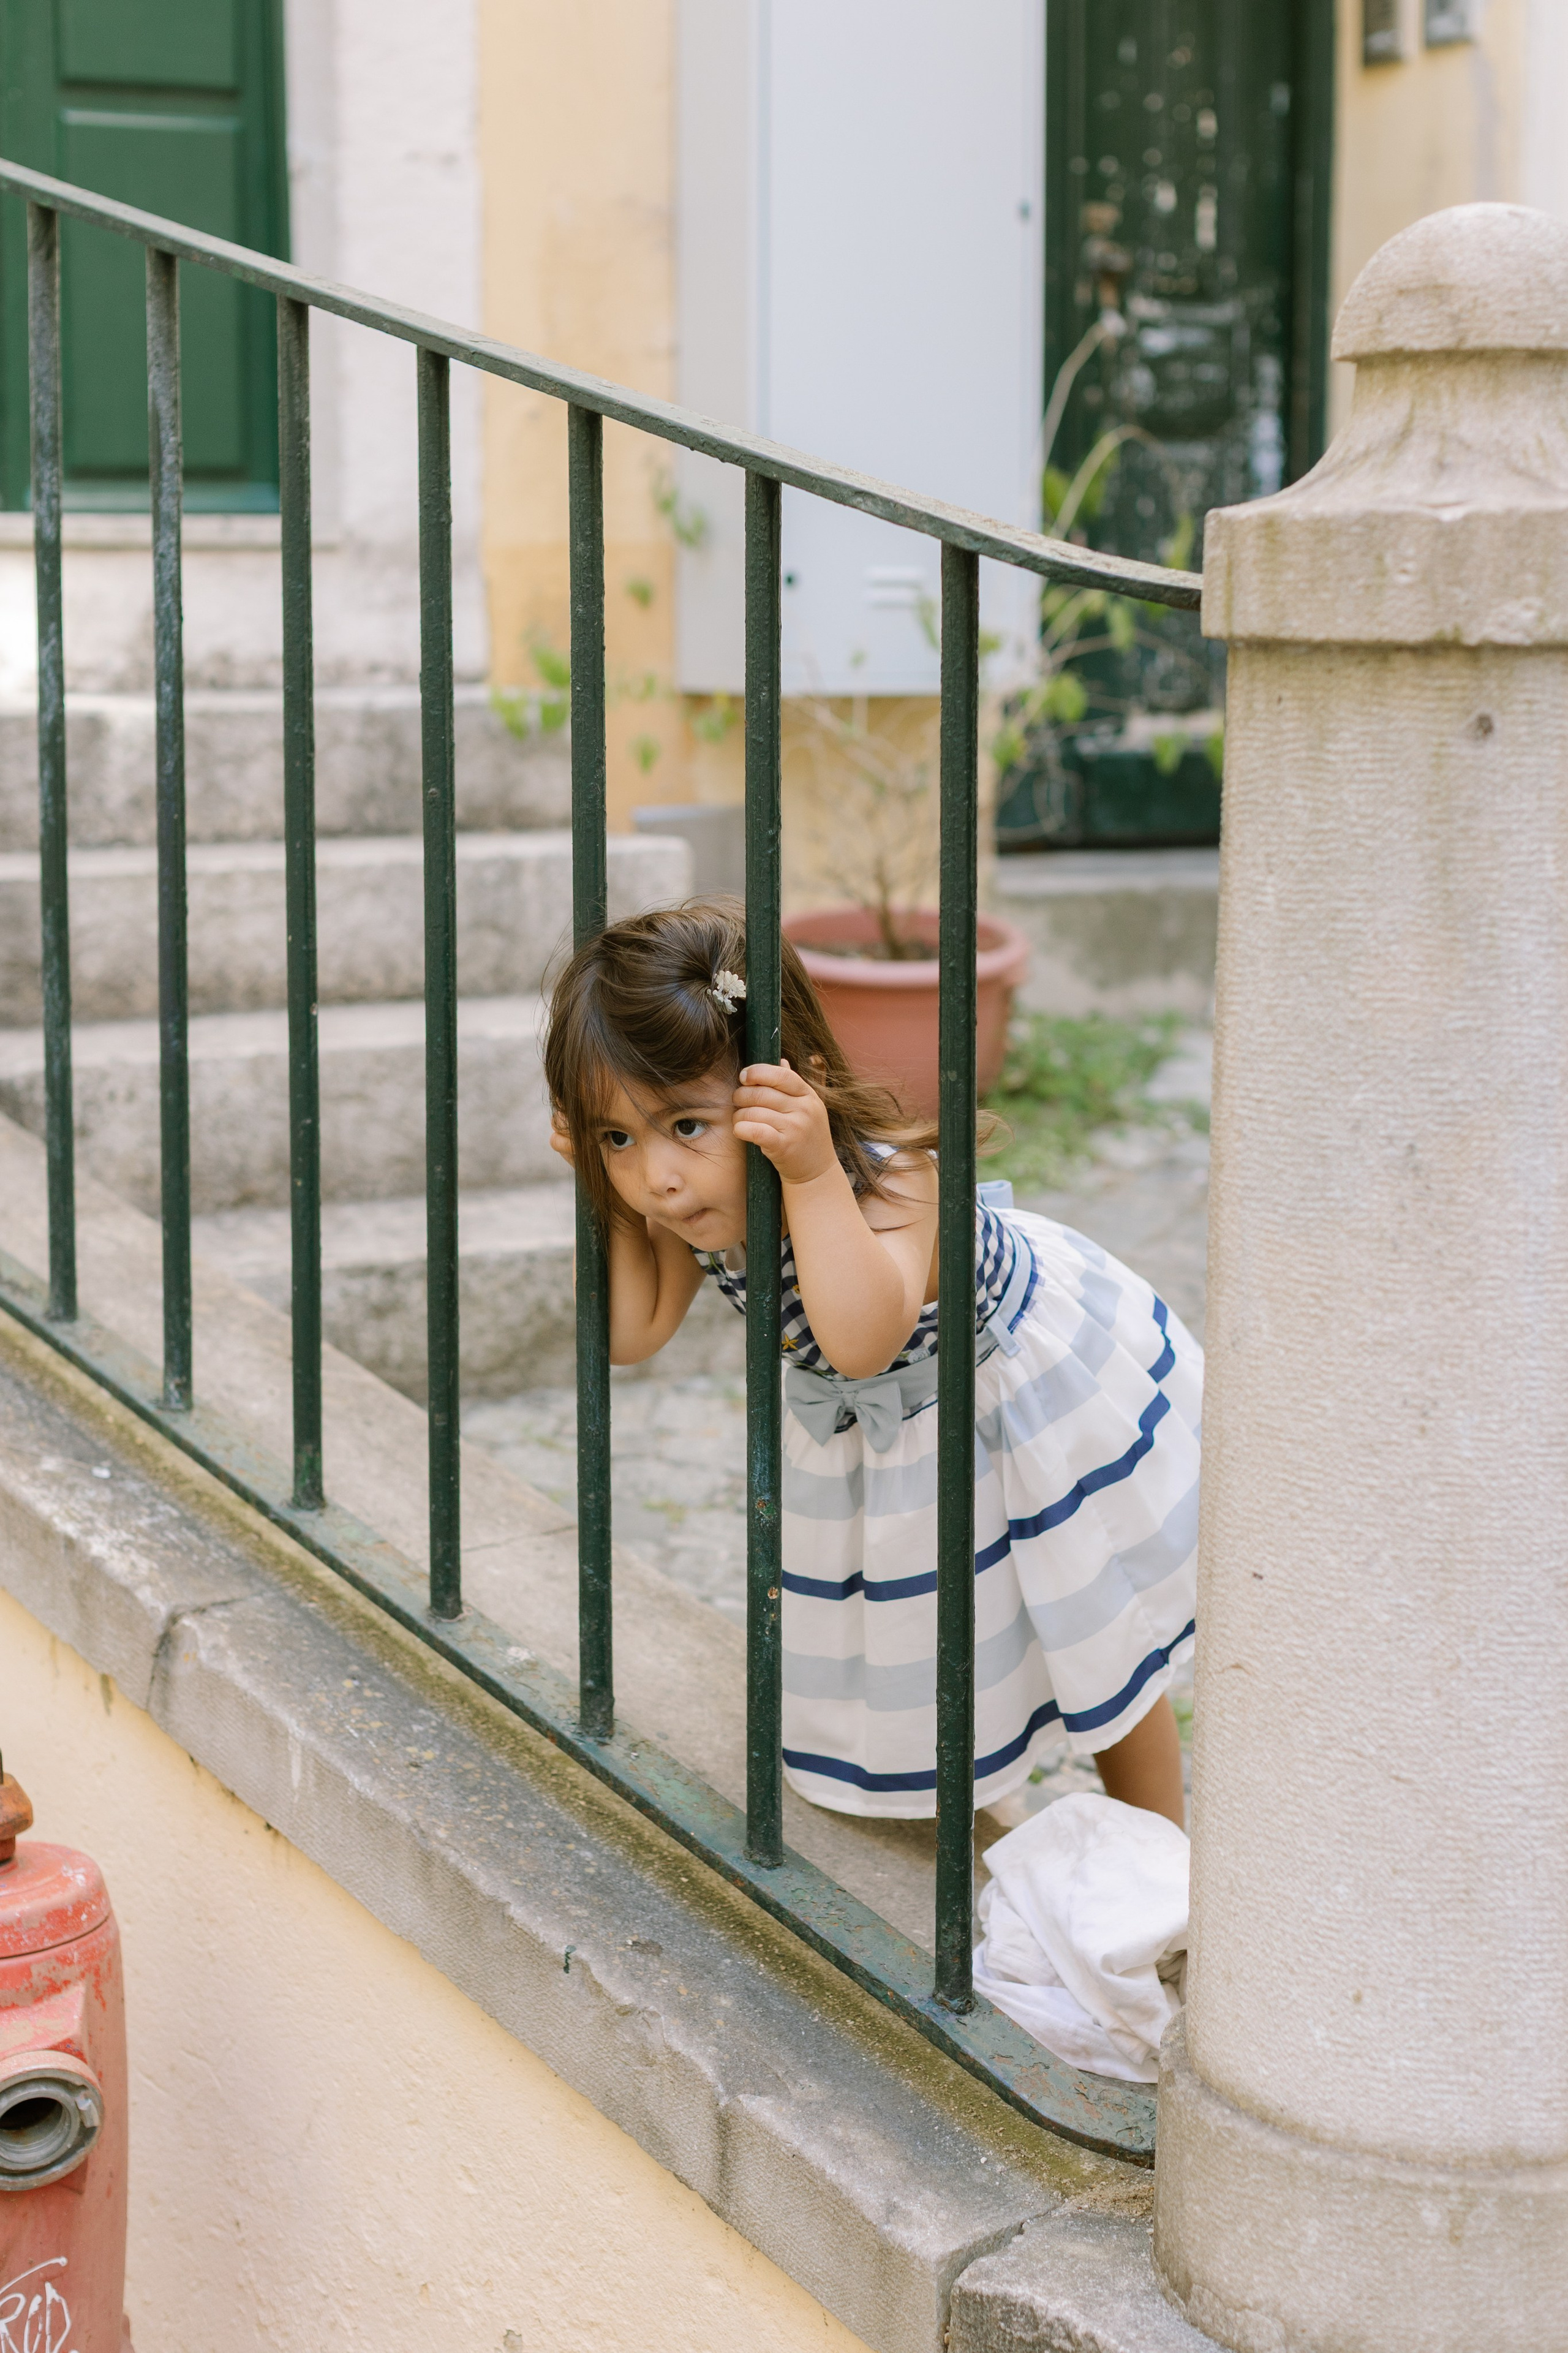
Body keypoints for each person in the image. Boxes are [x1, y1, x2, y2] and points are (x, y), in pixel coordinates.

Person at [544, 900, 1200, 1829]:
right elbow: (631, 1329)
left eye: (685, 1125)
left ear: (792, 1088)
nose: (658, 1176)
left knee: (1093, 1629)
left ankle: (1163, 1850)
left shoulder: (892, 1180)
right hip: (890, 1439)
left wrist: (810, 1179)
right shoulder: (683, 1199)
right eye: (618, 1139)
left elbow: (860, 1341)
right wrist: (597, 1194)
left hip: (1007, 1396)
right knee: (944, 1629)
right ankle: (987, 1804)